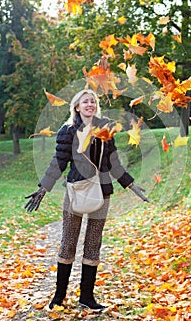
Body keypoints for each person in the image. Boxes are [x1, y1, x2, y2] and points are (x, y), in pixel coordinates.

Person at [25, 89, 148, 312]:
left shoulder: (105, 130)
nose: (90, 104)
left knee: (93, 243)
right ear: (77, 107)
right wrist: (43, 187)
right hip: (76, 191)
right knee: (68, 242)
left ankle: (87, 297)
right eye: (85, 102)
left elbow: (114, 163)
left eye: (93, 101)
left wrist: (131, 184)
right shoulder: (68, 131)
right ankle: (59, 296)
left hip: (102, 192)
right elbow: (59, 161)